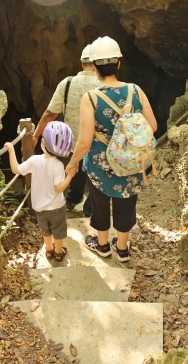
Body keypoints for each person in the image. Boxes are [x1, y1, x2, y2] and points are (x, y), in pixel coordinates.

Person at [66, 36, 157, 263]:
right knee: (127, 200)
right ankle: (123, 248)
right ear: (118, 64)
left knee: (100, 202)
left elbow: (85, 141)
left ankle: (103, 244)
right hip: (131, 160)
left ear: (95, 67)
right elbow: (153, 126)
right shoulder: (136, 91)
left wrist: (73, 161)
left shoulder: (91, 98)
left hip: (100, 162)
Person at [31, 44, 99, 216]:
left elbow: (49, 113)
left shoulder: (67, 83)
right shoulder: (105, 85)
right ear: (98, 63)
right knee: (96, 171)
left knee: (74, 165)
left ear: (82, 64)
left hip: (74, 140)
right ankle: (90, 207)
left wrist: (36, 134)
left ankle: (72, 199)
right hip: (98, 139)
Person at [4, 121, 75, 262]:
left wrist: (11, 150)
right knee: (58, 230)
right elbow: (59, 188)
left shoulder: (34, 160)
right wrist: (70, 176)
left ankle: (49, 250)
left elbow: (16, 170)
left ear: (43, 145)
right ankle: (58, 252)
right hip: (56, 207)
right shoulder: (58, 165)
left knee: (46, 230)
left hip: (39, 207)